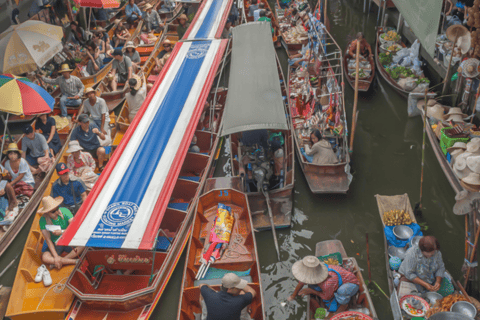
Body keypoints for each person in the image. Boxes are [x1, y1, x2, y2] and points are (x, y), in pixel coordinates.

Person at [288, 256, 360, 313]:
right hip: (334, 283)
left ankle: (344, 304)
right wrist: (293, 296)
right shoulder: (314, 270)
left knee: (342, 291)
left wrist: (311, 291)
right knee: (321, 288)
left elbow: (327, 297)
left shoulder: (327, 283)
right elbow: (301, 282)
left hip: (351, 284)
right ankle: (333, 289)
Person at [37, 196, 84, 274]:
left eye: (57, 208)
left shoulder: (65, 211)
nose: (56, 212)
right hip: (55, 243)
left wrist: (62, 232)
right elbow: (48, 240)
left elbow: (75, 229)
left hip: (67, 238)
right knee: (45, 257)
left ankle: (62, 261)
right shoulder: (43, 220)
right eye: (53, 211)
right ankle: (73, 261)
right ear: (47, 213)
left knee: (83, 245)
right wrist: (55, 256)